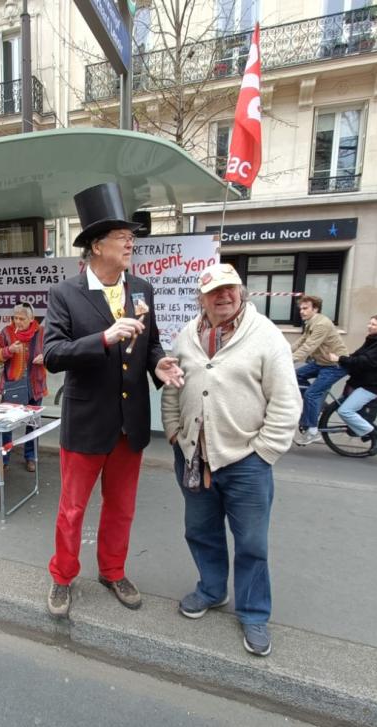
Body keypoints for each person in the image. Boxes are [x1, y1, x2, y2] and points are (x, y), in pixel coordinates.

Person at [42, 181, 184, 619]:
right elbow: (52, 354)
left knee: (121, 508)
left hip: (129, 422)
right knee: (72, 510)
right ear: (96, 246)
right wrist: (103, 338)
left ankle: (113, 571)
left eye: (130, 237)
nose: (130, 243)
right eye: (122, 237)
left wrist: (158, 364)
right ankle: (63, 576)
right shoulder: (65, 294)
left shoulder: (141, 289)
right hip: (87, 422)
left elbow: (151, 343)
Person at [161, 263, 300, 657]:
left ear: (241, 293)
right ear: (201, 299)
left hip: (246, 461)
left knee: (252, 542)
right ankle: (211, 589)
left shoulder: (265, 335)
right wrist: (173, 432)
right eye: (214, 291)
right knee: (199, 530)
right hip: (193, 455)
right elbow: (172, 388)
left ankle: (254, 613)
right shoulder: (187, 336)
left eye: (230, 289)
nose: (223, 296)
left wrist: (265, 451)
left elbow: (286, 401)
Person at [0, 302, 47, 472]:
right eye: (15, 318)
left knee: (33, 424)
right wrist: (8, 350)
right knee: (7, 424)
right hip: (12, 386)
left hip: (35, 386)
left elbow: (54, 350)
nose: (18, 322)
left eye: (22, 318)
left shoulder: (41, 333)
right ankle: (4, 458)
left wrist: (45, 357)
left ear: (31, 319)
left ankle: (31, 457)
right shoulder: (7, 333)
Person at [327, 315, 377, 448]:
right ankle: (368, 428)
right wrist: (343, 359)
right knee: (340, 407)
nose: (369, 326)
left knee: (345, 411)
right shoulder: (372, 340)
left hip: (370, 386)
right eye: (369, 323)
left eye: (373, 324)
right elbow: (357, 355)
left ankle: (375, 435)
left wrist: (340, 359)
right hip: (359, 382)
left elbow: (365, 362)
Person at [290, 295, 348, 446]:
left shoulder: (322, 324)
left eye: (305, 308)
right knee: (294, 376)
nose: (301, 311)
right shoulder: (311, 322)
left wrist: (288, 360)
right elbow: (301, 341)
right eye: (300, 308)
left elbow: (309, 346)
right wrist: (283, 353)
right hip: (321, 363)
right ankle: (317, 403)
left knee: (311, 394)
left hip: (334, 366)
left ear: (315, 309)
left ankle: (313, 431)